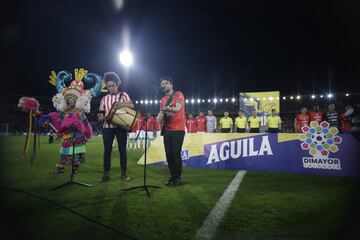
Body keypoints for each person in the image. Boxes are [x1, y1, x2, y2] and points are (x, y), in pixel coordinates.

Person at [38, 73, 100, 174]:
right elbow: (56, 117)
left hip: (78, 136)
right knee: (65, 151)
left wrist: (87, 133)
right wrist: (44, 117)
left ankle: (74, 169)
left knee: (76, 153)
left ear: (77, 100)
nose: (71, 101)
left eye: (73, 99)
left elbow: (85, 123)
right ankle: (61, 168)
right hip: (67, 136)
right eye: (69, 99)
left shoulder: (80, 112)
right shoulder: (64, 112)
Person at [98, 72, 134, 182]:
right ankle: (106, 173)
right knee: (107, 150)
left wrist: (122, 104)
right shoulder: (104, 99)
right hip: (107, 127)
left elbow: (132, 105)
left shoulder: (123, 95)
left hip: (121, 126)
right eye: (109, 86)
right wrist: (100, 117)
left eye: (113, 85)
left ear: (117, 85)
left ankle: (123, 173)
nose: (111, 88)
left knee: (122, 150)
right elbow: (100, 112)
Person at [157, 76, 185, 187]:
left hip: (178, 129)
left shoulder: (179, 94)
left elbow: (177, 109)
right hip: (167, 129)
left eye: (167, 83)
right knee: (168, 155)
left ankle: (178, 178)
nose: (164, 85)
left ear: (171, 84)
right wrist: (159, 117)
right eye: (163, 84)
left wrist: (165, 109)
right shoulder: (162, 100)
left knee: (175, 153)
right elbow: (161, 115)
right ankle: (172, 177)